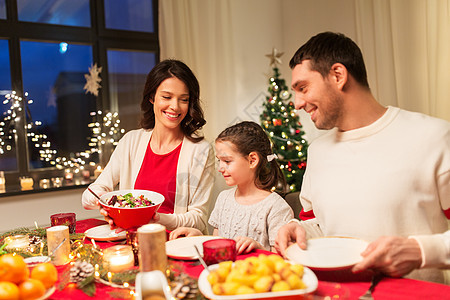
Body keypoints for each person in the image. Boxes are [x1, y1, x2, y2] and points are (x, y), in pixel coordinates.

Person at [274, 32, 450, 283]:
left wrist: (421, 251)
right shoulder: (317, 151)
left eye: (303, 88)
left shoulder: (434, 137)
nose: (297, 103)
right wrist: (298, 229)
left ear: (338, 76)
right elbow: (320, 225)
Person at [81, 59, 215, 233]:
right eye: (167, 97)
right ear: (152, 97)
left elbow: (199, 220)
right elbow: (89, 197)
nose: (174, 107)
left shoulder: (201, 151)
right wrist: (108, 205)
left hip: (177, 246)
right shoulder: (131, 142)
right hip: (133, 242)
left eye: (184, 99)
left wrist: (157, 218)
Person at [170, 121, 294, 254]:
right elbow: (218, 243)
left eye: (227, 161)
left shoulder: (276, 208)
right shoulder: (223, 198)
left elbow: (281, 260)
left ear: (252, 160)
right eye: (219, 161)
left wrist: (258, 248)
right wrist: (197, 237)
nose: (220, 168)